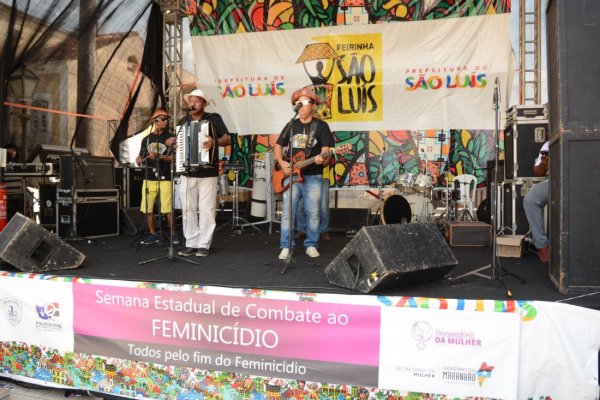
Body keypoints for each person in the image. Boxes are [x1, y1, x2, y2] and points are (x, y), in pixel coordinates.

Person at [275, 87, 334, 259]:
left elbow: (326, 152)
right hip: (291, 176)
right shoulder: (291, 125)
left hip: (313, 176)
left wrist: (321, 159)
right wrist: (282, 163)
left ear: (313, 105)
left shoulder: (321, 126)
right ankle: (286, 246)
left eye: (305, 102)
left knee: (313, 212)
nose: (301, 106)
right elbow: (278, 145)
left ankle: (311, 244)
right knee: (288, 212)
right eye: (298, 103)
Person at [177, 89, 231, 257]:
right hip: (187, 172)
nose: (193, 104)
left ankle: (204, 244)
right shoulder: (183, 121)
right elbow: (179, 142)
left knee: (207, 209)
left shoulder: (213, 119)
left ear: (204, 103)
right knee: (187, 208)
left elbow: (227, 139)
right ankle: (191, 243)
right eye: (191, 101)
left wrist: (214, 142)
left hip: (208, 171)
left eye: (197, 101)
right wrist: (176, 145)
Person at [135, 109, 178, 245]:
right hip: (149, 177)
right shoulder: (146, 139)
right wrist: (138, 159)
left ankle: (174, 235)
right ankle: (153, 235)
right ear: (155, 121)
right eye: (163, 119)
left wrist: (160, 156)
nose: (166, 121)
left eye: (167, 119)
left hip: (165, 176)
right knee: (148, 208)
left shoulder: (171, 138)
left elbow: (174, 159)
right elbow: (141, 155)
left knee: (167, 208)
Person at [523, 141, 549, 262]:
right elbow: (537, 172)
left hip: (580, 180)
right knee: (530, 200)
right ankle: (542, 246)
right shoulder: (548, 145)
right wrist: (544, 164)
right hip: (553, 181)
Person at [295, 163, 332, 241]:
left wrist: (313, 163)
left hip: (323, 177)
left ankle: (323, 230)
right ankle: (301, 229)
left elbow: (327, 161)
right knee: (300, 206)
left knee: (323, 207)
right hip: (305, 176)